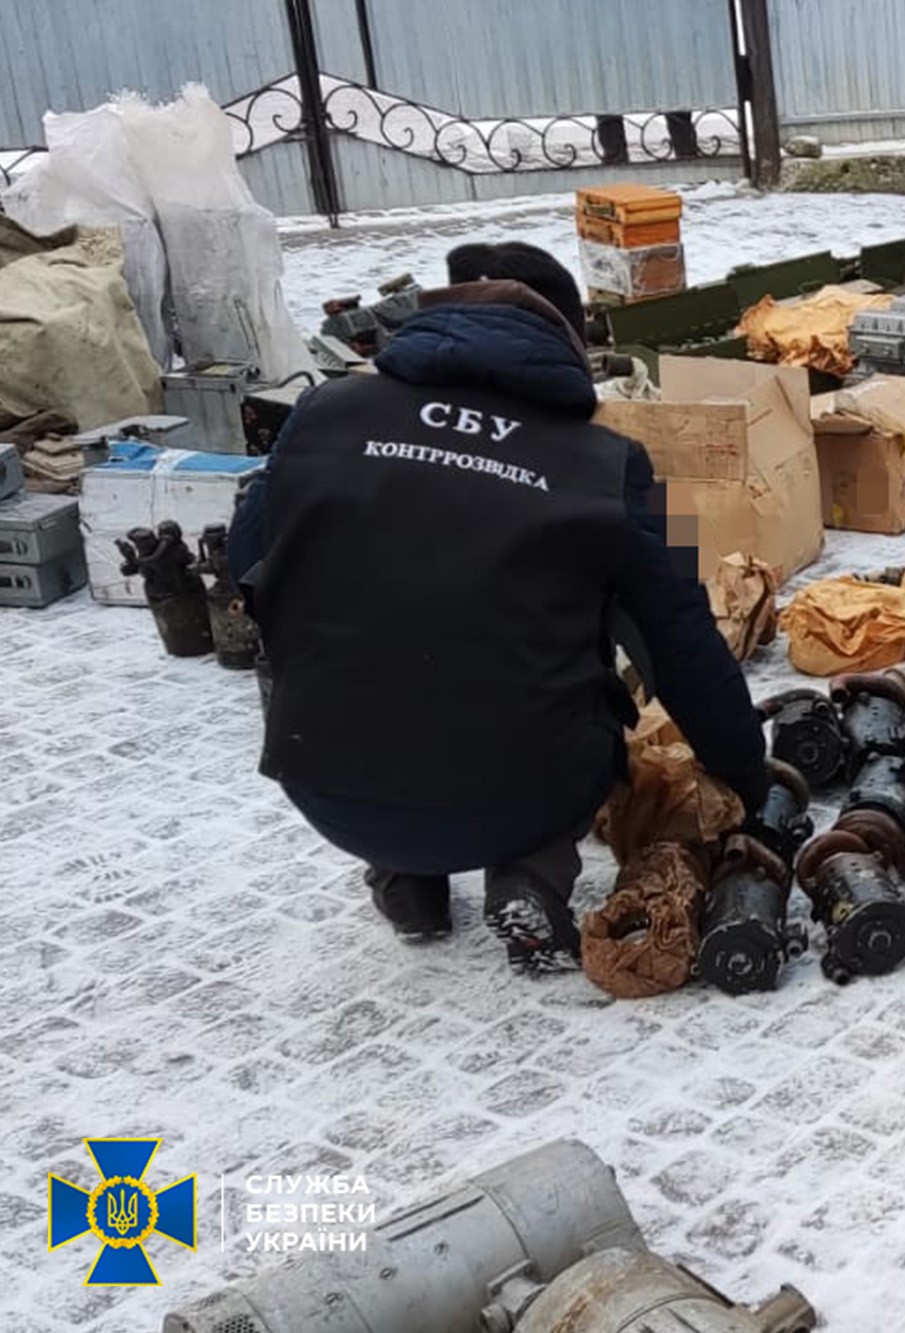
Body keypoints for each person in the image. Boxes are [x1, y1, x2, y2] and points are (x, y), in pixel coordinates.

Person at [229, 241, 768, 975]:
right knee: (590, 660)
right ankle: (529, 872)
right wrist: (746, 773)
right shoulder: (614, 465)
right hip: (523, 796)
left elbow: (246, 556)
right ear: (569, 342)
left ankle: (404, 878)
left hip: (326, 783)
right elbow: (685, 639)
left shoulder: (324, 413)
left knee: (375, 635)